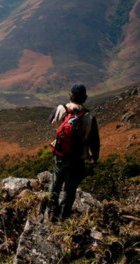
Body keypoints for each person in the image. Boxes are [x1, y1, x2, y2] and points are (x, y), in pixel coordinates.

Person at [46, 84, 100, 222]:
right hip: (78, 157)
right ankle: (63, 217)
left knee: (56, 183)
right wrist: (94, 157)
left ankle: (50, 213)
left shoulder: (61, 109)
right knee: (70, 189)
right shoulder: (89, 116)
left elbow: (51, 120)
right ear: (85, 98)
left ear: (70, 95)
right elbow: (94, 139)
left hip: (61, 154)